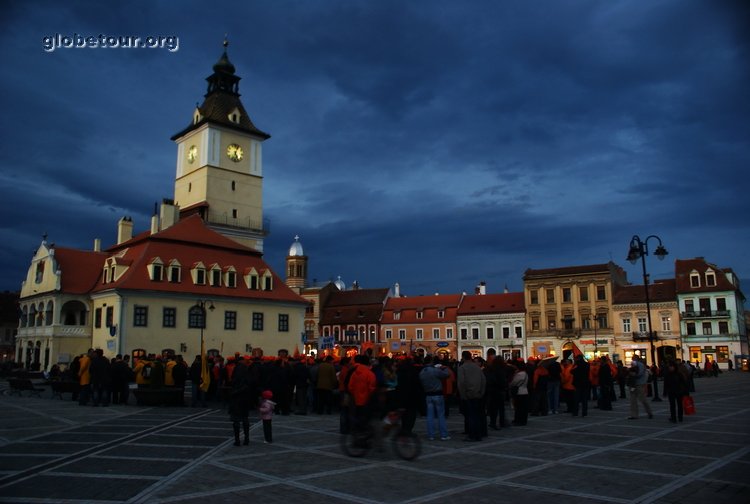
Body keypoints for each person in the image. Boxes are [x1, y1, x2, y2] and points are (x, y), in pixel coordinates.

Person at [419, 355, 451, 441]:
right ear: (431, 361)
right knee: (441, 415)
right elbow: (447, 375)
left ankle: (431, 435)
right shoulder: (434, 370)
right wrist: (444, 368)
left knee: (430, 416)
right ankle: (443, 435)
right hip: (438, 394)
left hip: (428, 395)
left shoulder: (422, 372)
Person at [457, 351, 486, 440]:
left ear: (463, 357)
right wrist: (481, 392)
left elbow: (461, 383)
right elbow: (483, 380)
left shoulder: (462, 368)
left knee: (470, 416)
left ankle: (472, 435)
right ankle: (478, 434)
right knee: (477, 415)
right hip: (478, 394)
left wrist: (462, 395)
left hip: (468, 394)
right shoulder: (477, 367)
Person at [229, 356, 254, 446]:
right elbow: (250, 383)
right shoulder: (246, 370)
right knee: (244, 419)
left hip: (237, 398)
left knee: (236, 420)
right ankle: (246, 438)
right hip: (245, 398)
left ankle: (237, 440)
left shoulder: (237, 369)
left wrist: (234, 392)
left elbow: (233, 381)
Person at [628, 355, 653, 420]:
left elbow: (640, 373)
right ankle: (636, 415)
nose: (632, 359)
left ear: (635, 358)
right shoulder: (637, 364)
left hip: (638, 384)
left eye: (633, 358)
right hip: (636, 384)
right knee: (635, 400)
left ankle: (646, 413)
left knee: (640, 399)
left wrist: (633, 374)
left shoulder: (640, 364)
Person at [484, 355, 507, 428]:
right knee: (501, 408)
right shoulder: (503, 368)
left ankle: (493, 422)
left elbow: (490, 379)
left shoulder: (491, 369)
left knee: (494, 408)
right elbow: (503, 380)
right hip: (500, 390)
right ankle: (502, 422)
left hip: (493, 390)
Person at [508, 360, 529, 426]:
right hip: (525, 391)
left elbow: (514, 382)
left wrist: (510, 384)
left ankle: (519, 420)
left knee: (519, 408)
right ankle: (523, 420)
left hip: (519, 392)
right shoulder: (525, 373)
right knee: (523, 408)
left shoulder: (519, 374)